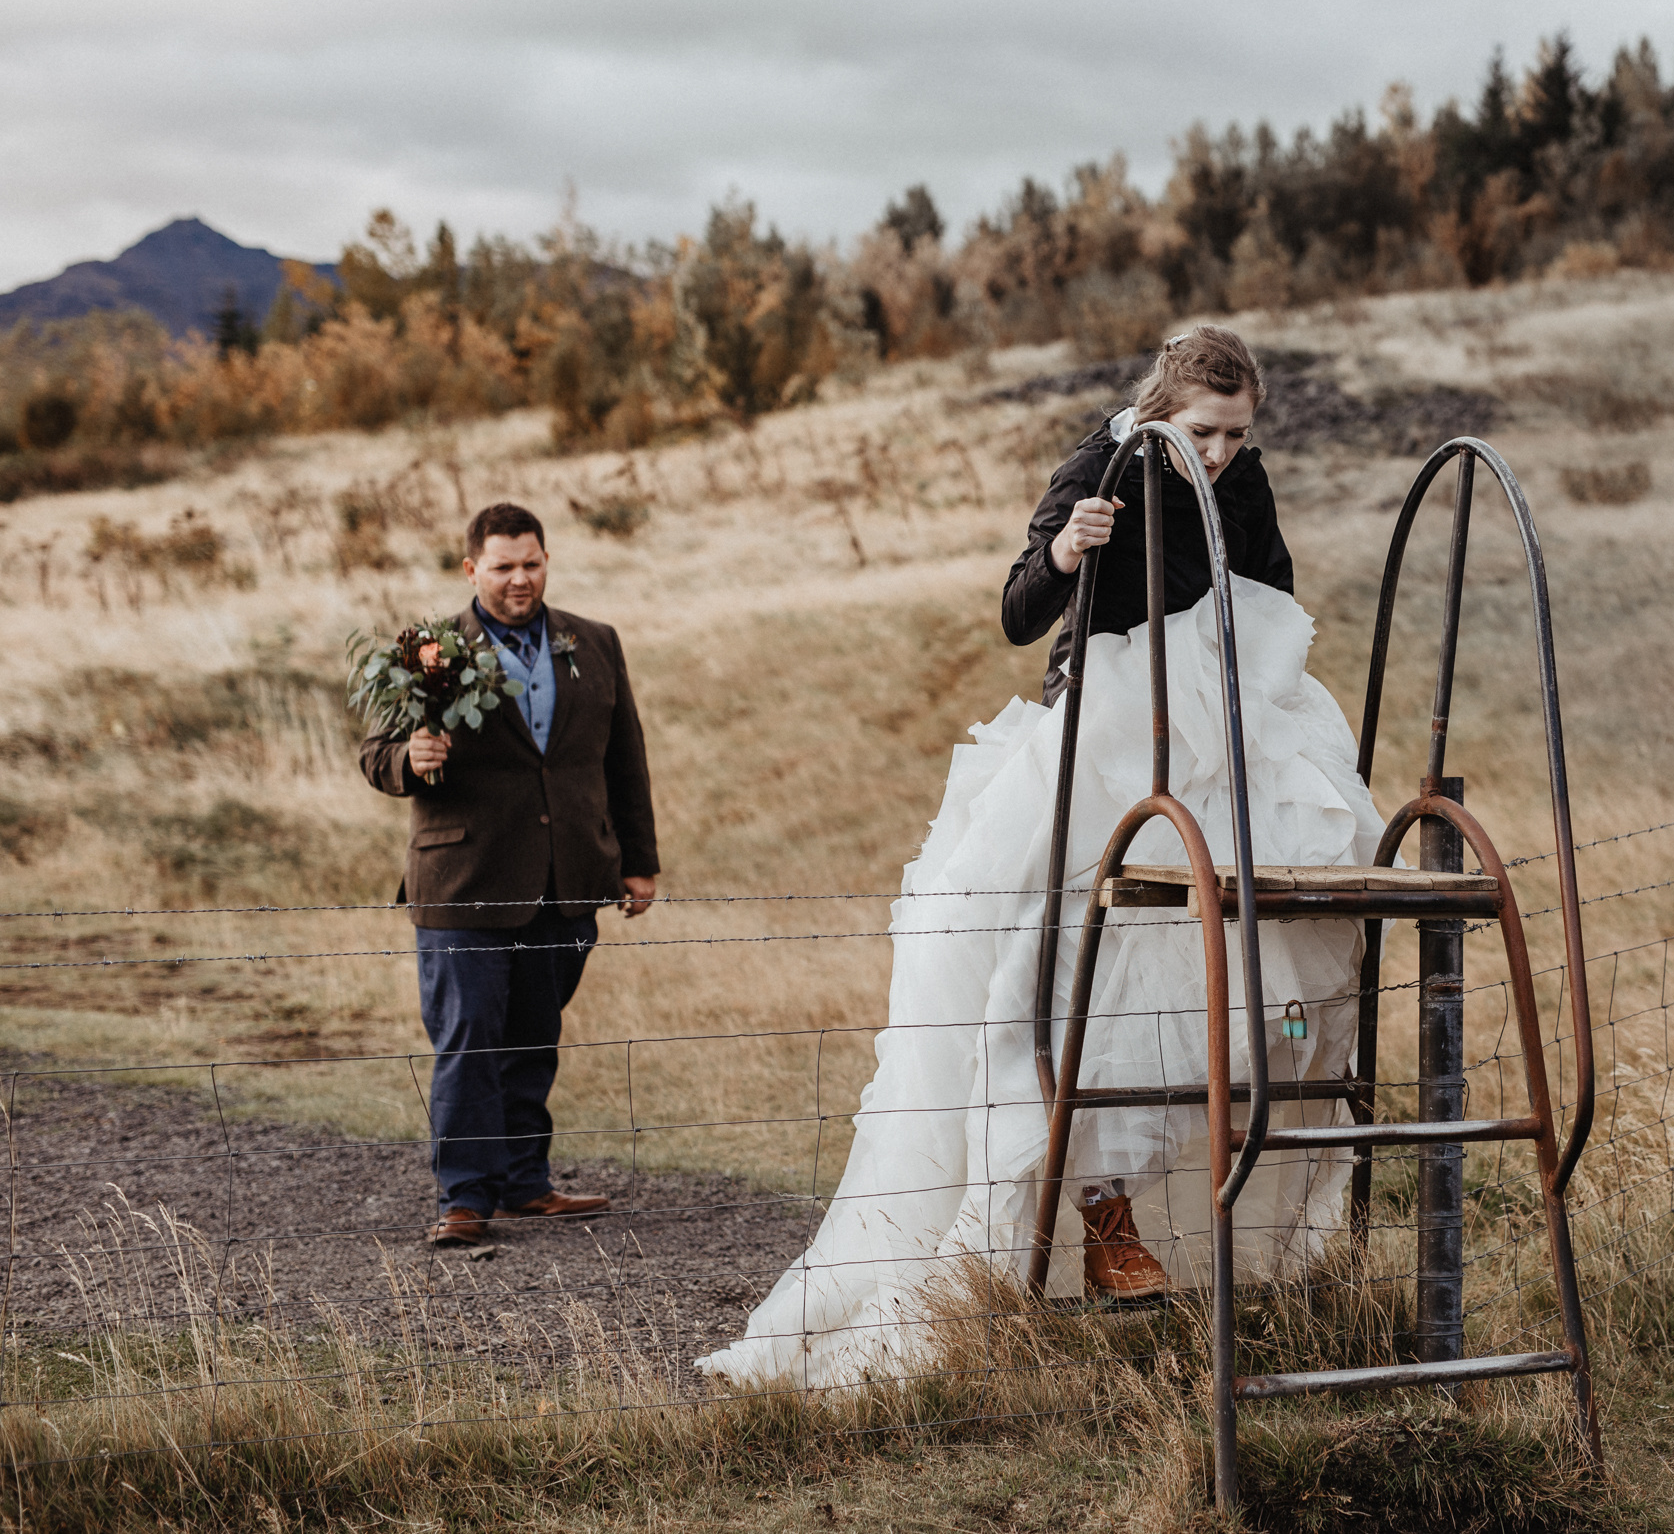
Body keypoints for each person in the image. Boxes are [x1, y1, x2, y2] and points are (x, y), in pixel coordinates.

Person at [701, 327, 1383, 1389]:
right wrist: (1068, 551)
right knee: (1065, 958)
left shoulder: (1242, 481)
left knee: (1259, 942)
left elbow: (1271, 599)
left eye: (1236, 434)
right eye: (1204, 432)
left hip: (1219, 734)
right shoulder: (1101, 466)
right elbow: (1019, 610)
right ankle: (1093, 1206)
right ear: (1160, 410)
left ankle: (1236, 1170)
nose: (1218, 453)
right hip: (1109, 734)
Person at [359, 502, 661, 1248]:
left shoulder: (594, 641)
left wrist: (638, 861)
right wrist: (410, 760)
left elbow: (624, 757)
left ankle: (526, 1182)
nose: (519, 579)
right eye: (502, 566)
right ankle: (465, 1198)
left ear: (547, 561)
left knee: (534, 1035)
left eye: (531, 563)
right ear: (472, 569)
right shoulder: (427, 649)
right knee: (469, 1041)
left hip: (566, 878)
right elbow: (376, 752)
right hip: (463, 882)